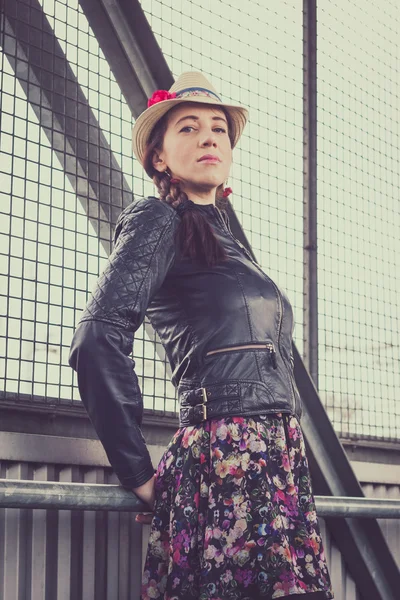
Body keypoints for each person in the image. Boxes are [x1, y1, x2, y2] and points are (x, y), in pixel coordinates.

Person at [69, 71, 334, 600]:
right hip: (228, 458)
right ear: (160, 157)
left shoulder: (224, 239)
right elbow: (97, 339)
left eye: (218, 128)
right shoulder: (157, 220)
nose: (209, 137)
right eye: (188, 128)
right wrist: (138, 472)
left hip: (274, 461)